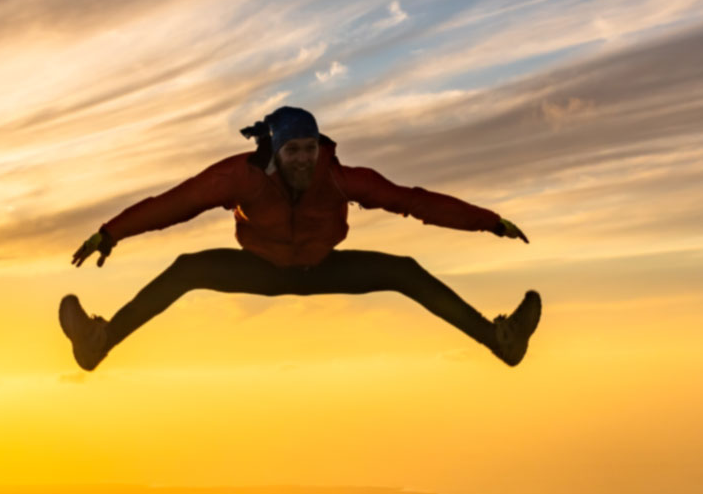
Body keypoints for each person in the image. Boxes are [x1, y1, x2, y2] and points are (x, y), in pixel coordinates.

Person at [59, 106, 540, 371]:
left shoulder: (340, 177)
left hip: (321, 267)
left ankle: (501, 341)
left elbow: (413, 201)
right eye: (294, 150)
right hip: (262, 270)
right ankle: (98, 343)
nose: (304, 159)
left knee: (405, 272)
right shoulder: (238, 177)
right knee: (187, 269)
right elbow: (174, 204)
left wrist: (488, 221)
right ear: (274, 150)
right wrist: (111, 233)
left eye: (310, 149)